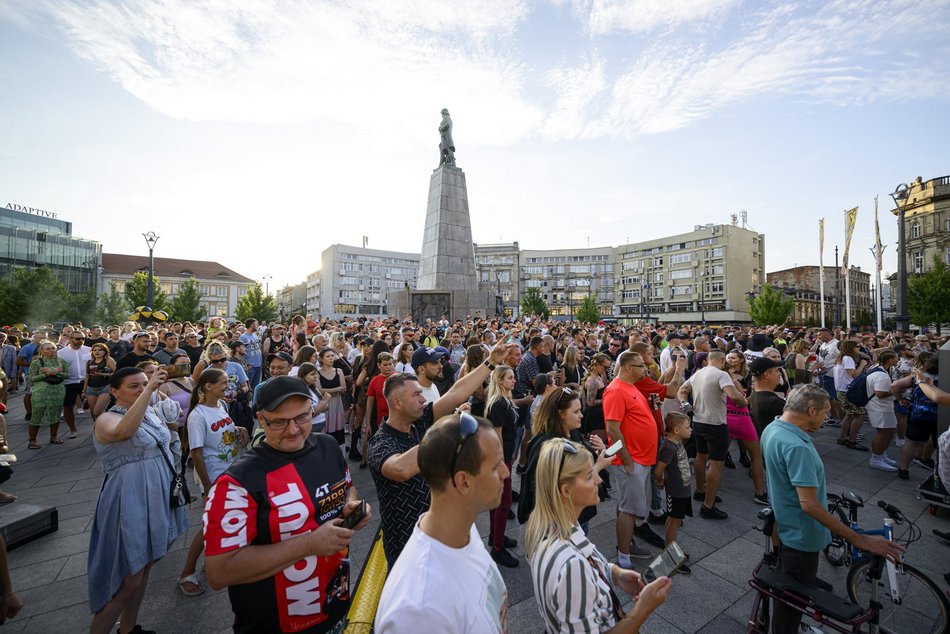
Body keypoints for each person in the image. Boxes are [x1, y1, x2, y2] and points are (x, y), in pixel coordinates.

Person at [204, 376, 372, 634]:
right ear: (261, 420)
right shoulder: (237, 482)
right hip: (274, 625)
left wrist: (352, 504)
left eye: (302, 417)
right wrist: (309, 545)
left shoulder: (327, 446)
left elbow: (348, 486)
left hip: (336, 607)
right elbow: (219, 571)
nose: (293, 430)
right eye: (279, 422)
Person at [760, 384, 905, 634]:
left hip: (786, 527)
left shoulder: (773, 427)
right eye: (825, 412)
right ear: (811, 410)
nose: (827, 417)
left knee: (787, 592)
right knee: (792, 602)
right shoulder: (797, 447)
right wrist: (858, 538)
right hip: (802, 536)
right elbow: (809, 505)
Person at [367, 342, 515, 567]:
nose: (423, 399)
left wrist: (491, 362)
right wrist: (445, 432)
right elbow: (399, 468)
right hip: (408, 546)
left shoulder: (420, 421)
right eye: (417, 394)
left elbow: (457, 392)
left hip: (439, 532)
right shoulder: (380, 443)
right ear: (397, 403)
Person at [375, 413, 510, 633]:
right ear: (463, 482)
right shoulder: (419, 611)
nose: (506, 472)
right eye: (495, 466)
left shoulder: (466, 530)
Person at [525, 438, 671, 633]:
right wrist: (643, 609)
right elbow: (576, 572)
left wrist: (615, 574)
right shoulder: (571, 566)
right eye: (589, 476)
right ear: (566, 490)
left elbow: (588, 563)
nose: (599, 480)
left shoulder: (553, 524)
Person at [88, 366, 189, 634]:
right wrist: (149, 391)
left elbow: (172, 426)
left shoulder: (149, 412)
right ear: (114, 391)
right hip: (129, 498)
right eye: (134, 386)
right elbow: (123, 432)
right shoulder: (106, 418)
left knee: (144, 568)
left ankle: (128, 629)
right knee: (128, 578)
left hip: (155, 493)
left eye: (144, 383)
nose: (142, 389)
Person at [177, 368, 249, 597]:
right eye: (224, 383)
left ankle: (213, 561)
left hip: (231, 472)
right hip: (215, 476)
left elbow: (223, 432)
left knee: (223, 521)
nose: (228, 386)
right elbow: (197, 453)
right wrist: (208, 486)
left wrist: (239, 429)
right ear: (208, 386)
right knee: (210, 525)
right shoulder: (197, 416)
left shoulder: (221, 406)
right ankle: (186, 573)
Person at [518, 387, 607, 528]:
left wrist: (598, 453)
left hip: (578, 512)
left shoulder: (572, 432)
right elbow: (565, 484)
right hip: (562, 519)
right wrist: (599, 465)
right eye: (576, 411)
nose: (581, 415)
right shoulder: (550, 446)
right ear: (561, 414)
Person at [604, 351, 662, 565]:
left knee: (625, 505)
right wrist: (627, 460)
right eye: (641, 365)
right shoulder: (616, 391)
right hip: (631, 460)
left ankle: (626, 544)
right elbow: (612, 429)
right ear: (628, 368)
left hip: (641, 457)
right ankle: (624, 555)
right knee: (628, 510)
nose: (645, 369)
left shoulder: (631, 386)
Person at [676, 350, 748, 520]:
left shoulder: (698, 373)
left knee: (701, 456)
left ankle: (700, 491)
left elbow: (682, 390)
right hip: (716, 424)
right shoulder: (721, 374)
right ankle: (708, 506)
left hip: (699, 421)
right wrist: (744, 401)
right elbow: (734, 396)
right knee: (716, 463)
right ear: (722, 360)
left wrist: (685, 403)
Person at [485, 365, 520, 567]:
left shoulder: (504, 400)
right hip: (499, 458)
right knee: (505, 501)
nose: (514, 380)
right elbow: (496, 434)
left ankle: (495, 536)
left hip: (505, 455)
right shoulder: (498, 403)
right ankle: (497, 548)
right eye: (510, 377)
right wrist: (501, 460)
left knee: (498, 501)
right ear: (500, 380)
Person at [654, 412, 693, 573]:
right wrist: (660, 481)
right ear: (676, 430)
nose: (690, 430)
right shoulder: (669, 447)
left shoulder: (676, 442)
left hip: (683, 489)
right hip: (676, 491)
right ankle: (670, 557)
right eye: (687, 427)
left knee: (675, 520)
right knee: (674, 522)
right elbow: (659, 469)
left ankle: (671, 549)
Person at [27, 341, 69, 449]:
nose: (51, 350)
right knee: (37, 415)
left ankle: (54, 437)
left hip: (58, 391)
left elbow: (67, 375)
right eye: (48, 349)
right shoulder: (36, 362)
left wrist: (56, 372)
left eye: (53, 348)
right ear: (41, 351)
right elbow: (32, 378)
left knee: (56, 414)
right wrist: (45, 374)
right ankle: (32, 441)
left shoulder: (62, 361)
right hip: (41, 392)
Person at [864, 349, 900, 472]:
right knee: (883, 433)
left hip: (880, 406)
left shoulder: (876, 368)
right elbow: (879, 393)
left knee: (889, 431)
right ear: (890, 360)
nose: (898, 360)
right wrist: (897, 391)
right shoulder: (882, 375)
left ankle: (881, 454)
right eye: (896, 358)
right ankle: (876, 458)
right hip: (880, 407)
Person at [833, 341, 869, 450]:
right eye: (857, 347)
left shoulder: (840, 359)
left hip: (842, 391)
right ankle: (852, 440)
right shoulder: (848, 358)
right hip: (848, 391)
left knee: (850, 415)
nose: (859, 349)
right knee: (860, 415)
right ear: (851, 348)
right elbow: (853, 374)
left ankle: (842, 438)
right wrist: (862, 364)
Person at [58, 329, 91, 438]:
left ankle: (97, 428)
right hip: (69, 382)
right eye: (78, 338)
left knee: (94, 406)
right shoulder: (61, 353)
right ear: (70, 339)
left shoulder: (89, 350)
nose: (81, 340)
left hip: (86, 382)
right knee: (68, 407)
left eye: (83, 338)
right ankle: (73, 430)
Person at [748, 356, 786, 438]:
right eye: (776, 371)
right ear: (767, 375)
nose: (780, 374)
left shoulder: (755, 395)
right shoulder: (774, 402)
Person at [83, 342, 116, 421]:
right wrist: (84, 390)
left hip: (105, 387)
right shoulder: (89, 362)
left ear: (105, 351)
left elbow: (116, 373)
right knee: (93, 413)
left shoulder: (108, 360)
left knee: (97, 412)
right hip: (91, 388)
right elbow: (87, 377)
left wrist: (101, 374)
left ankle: (107, 423)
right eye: (95, 350)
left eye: (100, 350)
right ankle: (98, 427)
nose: (97, 352)